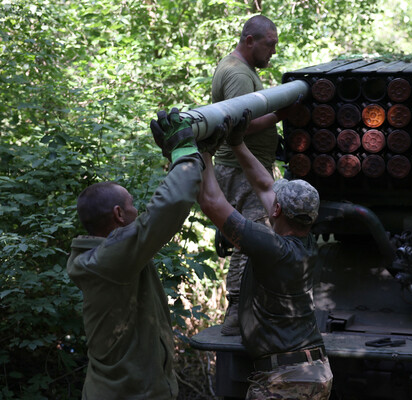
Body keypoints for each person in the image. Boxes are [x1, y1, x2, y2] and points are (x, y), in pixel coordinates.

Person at [66, 109, 210, 399]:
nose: (137, 210)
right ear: (119, 214)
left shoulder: (110, 257)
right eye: (132, 204)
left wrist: (199, 151)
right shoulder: (110, 259)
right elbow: (167, 207)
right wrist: (183, 152)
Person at [197, 113, 333, 399]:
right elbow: (263, 185)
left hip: (286, 381)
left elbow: (211, 202)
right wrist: (237, 144)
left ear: (277, 211)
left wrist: (203, 153)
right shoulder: (306, 241)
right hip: (313, 372)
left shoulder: (273, 249)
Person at [211, 14, 292, 335]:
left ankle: (249, 309)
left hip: (244, 169)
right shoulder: (238, 75)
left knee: (253, 238)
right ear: (250, 41)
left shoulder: (241, 70)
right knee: (252, 239)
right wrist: (281, 113)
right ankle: (236, 314)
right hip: (239, 171)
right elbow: (237, 124)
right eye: (269, 45)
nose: (273, 51)